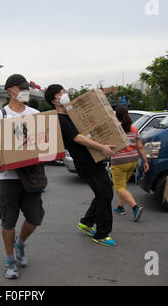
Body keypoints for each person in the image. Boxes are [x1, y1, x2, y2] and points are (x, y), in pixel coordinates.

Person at [0, 74, 44, 280]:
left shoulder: (35, 113)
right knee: (8, 220)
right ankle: (10, 259)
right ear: (10, 91)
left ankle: (20, 243)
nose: (25, 91)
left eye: (27, 88)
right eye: (22, 87)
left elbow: (45, 141)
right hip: (8, 177)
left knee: (34, 218)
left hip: (32, 174)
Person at [44, 84, 117, 247]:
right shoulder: (60, 119)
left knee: (103, 193)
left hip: (92, 159)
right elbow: (78, 138)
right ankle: (101, 234)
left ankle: (86, 223)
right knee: (105, 194)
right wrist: (102, 148)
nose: (65, 94)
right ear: (54, 101)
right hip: (85, 162)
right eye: (60, 93)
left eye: (64, 91)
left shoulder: (71, 114)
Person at [111, 106, 149, 221]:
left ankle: (135, 207)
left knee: (119, 187)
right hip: (133, 161)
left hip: (119, 162)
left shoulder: (114, 129)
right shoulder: (134, 129)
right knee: (123, 185)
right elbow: (140, 147)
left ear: (116, 115)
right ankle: (120, 207)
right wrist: (145, 162)